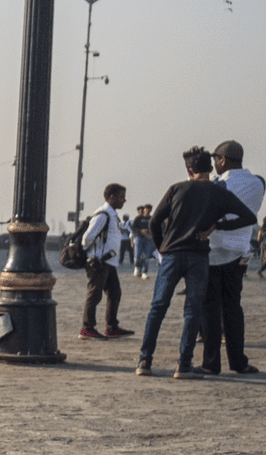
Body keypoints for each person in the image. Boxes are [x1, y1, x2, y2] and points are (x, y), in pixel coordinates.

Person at [134, 146, 257, 379]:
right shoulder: (219, 193)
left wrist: (162, 248)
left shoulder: (176, 189)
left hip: (171, 256)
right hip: (198, 258)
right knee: (192, 312)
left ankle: (145, 361)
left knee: (157, 308)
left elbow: (154, 222)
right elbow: (249, 217)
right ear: (211, 168)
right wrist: (217, 226)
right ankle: (184, 365)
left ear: (189, 170)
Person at [201, 141, 264, 376]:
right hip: (240, 252)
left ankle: (211, 363)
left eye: (216, 160)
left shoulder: (218, 184)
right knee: (233, 308)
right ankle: (239, 361)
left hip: (214, 252)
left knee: (210, 309)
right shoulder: (258, 182)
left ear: (223, 160)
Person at [79, 184, 131, 341]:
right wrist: (93, 256)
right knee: (95, 294)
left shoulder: (112, 214)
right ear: (111, 197)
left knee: (115, 293)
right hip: (100, 262)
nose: (124, 200)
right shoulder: (103, 215)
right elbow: (87, 238)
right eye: (121, 197)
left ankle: (112, 327)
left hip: (110, 262)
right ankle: (87, 328)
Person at [130, 203, 155, 278]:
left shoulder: (152, 218)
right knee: (138, 254)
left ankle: (144, 272)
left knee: (146, 256)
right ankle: (137, 268)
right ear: (144, 210)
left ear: (151, 210)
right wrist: (141, 231)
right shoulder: (138, 218)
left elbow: (155, 227)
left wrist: (150, 233)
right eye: (146, 208)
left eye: (149, 209)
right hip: (139, 238)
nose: (147, 210)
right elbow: (133, 228)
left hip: (149, 239)